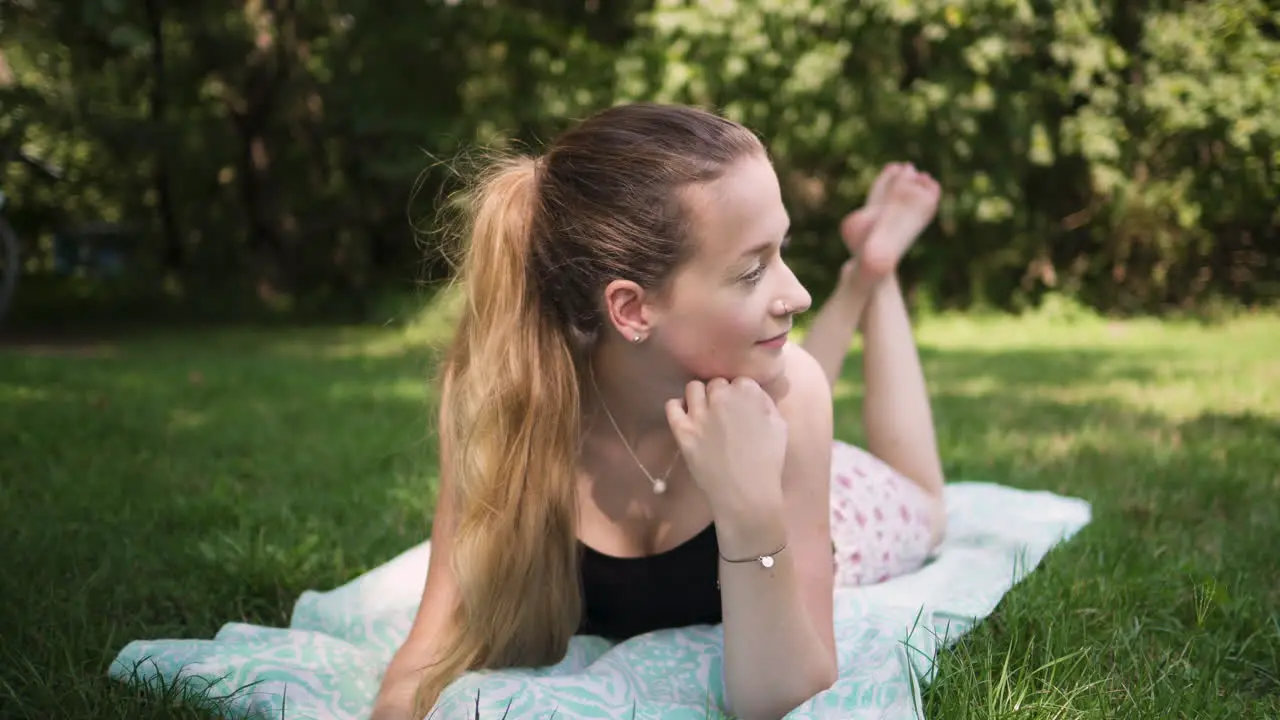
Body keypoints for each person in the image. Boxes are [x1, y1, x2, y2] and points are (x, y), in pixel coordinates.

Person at [371, 103, 947, 720]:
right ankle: (866, 270)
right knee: (790, 370)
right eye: (753, 269)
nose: (797, 293)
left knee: (927, 505)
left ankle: (875, 273)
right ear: (632, 310)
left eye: (782, 250)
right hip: (761, 405)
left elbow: (785, 695)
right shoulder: (505, 400)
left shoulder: (791, 395)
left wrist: (751, 512)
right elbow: (427, 653)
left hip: (825, 508)